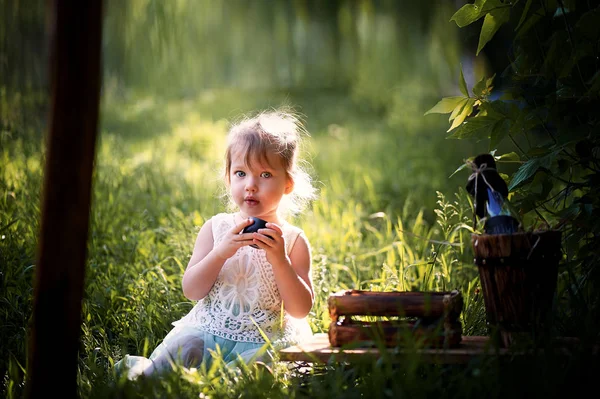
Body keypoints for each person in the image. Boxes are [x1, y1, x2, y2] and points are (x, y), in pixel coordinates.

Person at [116, 109, 317, 379]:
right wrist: (220, 252)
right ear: (228, 177)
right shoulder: (216, 228)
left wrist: (280, 260)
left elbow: (301, 309)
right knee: (178, 358)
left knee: (263, 371)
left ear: (288, 184)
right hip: (209, 331)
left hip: (265, 339)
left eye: (265, 175)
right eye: (241, 173)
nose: (251, 185)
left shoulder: (292, 241)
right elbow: (192, 290)